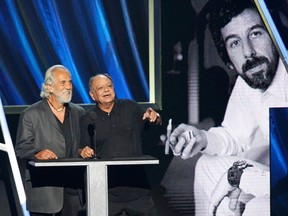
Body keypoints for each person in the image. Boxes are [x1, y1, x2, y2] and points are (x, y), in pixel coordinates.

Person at [167, 0, 288, 214]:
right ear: (229, 61)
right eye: (235, 43)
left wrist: (244, 179)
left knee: (249, 204)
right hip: (278, 177)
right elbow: (235, 135)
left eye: (256, 34)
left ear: (273, 35)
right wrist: (201, 138)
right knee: (207, 166)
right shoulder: (250, 78)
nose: (248, 52)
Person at [79, 74, 161, 216]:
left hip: (137, 190)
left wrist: (155, 117)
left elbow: (153, 121)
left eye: (109, 86)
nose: (106, 90)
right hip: (106, 193)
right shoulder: (88, 119)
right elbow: (80, 148)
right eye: (100, 88)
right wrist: (83, 151)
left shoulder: (130, 107)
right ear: (93, 95)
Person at [15, 65, 85, 216]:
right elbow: (21, 148)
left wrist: (82, 150)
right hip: (45, 190)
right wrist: (37, 153)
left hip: (73, 191)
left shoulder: (78, 112)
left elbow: (80, 145)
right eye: (63, 82)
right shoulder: (31, 114)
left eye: (70, 82)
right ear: (49, 87)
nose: (68, 87)